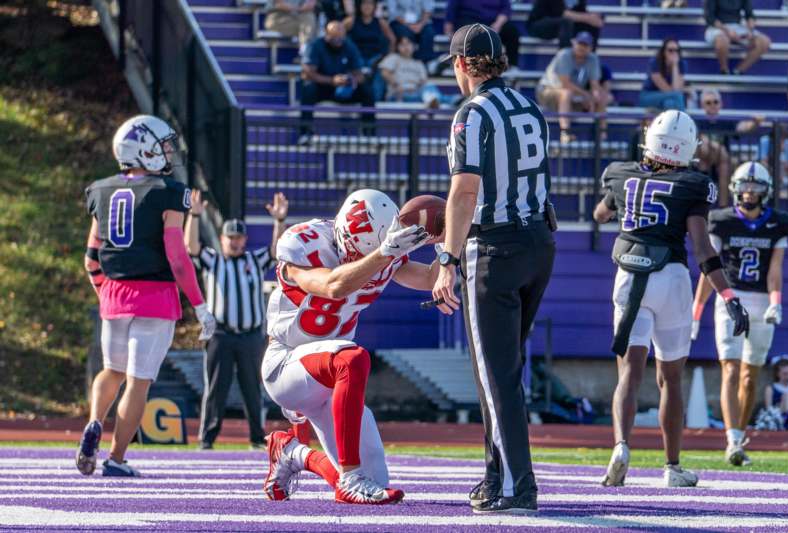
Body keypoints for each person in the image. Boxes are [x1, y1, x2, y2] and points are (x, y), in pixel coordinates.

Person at [432, 24, 556, 514]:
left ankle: (516, 485)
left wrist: (447, 258)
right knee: (502, 370)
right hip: (538, 242)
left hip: (495, 247)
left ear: (462, 64)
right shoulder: (530, 106)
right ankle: (495, 474)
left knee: (496, 374)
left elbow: (464, 191)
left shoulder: (472, 113)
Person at [593, 110, 749, 488]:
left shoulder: (620, 173)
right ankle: (672, 467)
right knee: (670, 379)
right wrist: (727, 295)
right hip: (671, 279)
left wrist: (626, 209)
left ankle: (621, 446)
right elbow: (701, 247)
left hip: (628, 276)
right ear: (687, 149)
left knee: (628, 372)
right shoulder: (694, 184)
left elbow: (600, 214)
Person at [260, 189, 442, 505]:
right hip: (286, 362)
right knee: (353, 358)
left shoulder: (386, 248)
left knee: (376, 483)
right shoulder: (305, 242)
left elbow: (428, 278)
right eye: (359, 253)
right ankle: (351, 477)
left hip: (331, 381)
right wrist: (383, 253)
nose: (362, 262)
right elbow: (333, 285)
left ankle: (291, 452)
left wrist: (447, 243)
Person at [77, 115, 216, 477]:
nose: (168, 152)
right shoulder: (168, 191)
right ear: (144, 150)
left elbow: (92, 256)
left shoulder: (100, 190)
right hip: (155, 296)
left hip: (114, 293)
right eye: (163, 146)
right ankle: (116, 459)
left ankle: (94, 421)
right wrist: (200, 306)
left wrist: (104, 292)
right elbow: (177, 254)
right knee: (138, 382)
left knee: (112, 371)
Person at [691, 162, 788, 465]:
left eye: (756, 187)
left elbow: (775, 268)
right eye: (745, 187)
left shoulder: (779, 222)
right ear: (735, 189)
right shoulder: (722, 220)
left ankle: (740, 431)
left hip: (762, 300)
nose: (749, 193)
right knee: (731, 369)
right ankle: (732, 440)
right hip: (731, 297)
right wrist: (696, 313)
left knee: (750, 377)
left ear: (766, 192)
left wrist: (776, 300)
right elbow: (708, 268)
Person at [185, 191, 290, 450]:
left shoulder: (254, 260)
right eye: (230, 237)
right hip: (220, 334)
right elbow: (192, 248)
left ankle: (257, 437)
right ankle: (207, 438)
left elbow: (277, 251)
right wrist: (194, 215)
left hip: (251, 335)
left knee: (253, 388)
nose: (234, 242)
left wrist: (279, 221)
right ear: (222, 239)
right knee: (216, 389)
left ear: (244, 239)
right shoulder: (214, 260)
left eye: (238, 237)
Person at [300, 21, 375, 139]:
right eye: (334, 35)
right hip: (323, 88)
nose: (338, 39)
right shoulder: (315, 45)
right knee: (308, 88)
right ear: (326, 34)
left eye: (340, 35)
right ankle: (305, 132)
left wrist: (349, 80)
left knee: (367, 91)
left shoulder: (349, 45)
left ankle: (369, 133)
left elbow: (359, 74)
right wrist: (332, 80)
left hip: (344, 89)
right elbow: (308, 73)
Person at [536, 32, 606, 143]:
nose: (582, 47)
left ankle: (602, 134)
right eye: (580, 44)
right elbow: (565, 83)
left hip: (573, 95)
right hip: (547, 91)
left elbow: (595, 84)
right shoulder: (564, 55)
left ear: (590, 48)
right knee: (566, 93)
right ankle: (565, 132)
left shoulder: (593, 59)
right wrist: (586, 95)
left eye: (585, 45)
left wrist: (595, 96)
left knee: (603, 96)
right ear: (574, 43)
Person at [444, 0, 521, 74]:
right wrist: (450, 32)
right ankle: (469, 65)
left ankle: (512, 65)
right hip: (469, 21)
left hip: (494, 23)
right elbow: (451, 10)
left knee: (511, 30)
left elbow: (506, 9)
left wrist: (497, 24)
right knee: (471, 33)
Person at [379, 35, 453, 107]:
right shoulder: (393, 58)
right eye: (402, 44)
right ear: (397, 47)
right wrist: (396, 85)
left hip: (416, 94)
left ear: (414, 46)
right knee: (436, 96)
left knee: (429, 85)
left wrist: (415, 88)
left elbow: (423, 82)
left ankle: (433, 100)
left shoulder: (418, 63)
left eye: (408, 44)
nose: (406, 47)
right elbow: (385, 72)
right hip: (398, 95)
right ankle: (451, 99)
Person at [344, 0, 395, 101]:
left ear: (374, 6)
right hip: (356, 57)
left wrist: (389, 57)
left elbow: (392, 40)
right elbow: (338, 32)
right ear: (359, 5)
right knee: (357, 70)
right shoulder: (351, 21)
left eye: (370, 3)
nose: (367, 6)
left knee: (381, 71)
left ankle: (376, 101)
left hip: (375, 58)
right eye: (364, 3)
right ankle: (351, 98)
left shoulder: (380, 22)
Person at [704, 0, 771, 75]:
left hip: (737, 26)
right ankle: (724, 70)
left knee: (764, 42)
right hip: (717, 27)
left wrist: (750, 30)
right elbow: (710, 18)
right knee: (722, 41)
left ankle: (739, 71)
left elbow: (750, 15)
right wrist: (727, 31)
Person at [526, 0, 603, 50]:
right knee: (566, 22)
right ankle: (565, 57)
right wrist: (588, 18)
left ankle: (590, 57)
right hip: (538, 25)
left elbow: (581, 12)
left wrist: (594, 18)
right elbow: (562, 13)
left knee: (593, 23)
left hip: (564, 27)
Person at [639, 39, 689, 111]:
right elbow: (668, 91)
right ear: (664, 52)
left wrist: (675, 66)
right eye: (670, 50)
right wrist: (677, 93)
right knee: (678, 96)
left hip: (668, 98)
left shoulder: (681, 64)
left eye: (676, 50)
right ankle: (683, 120)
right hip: (649, 96)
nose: (674, 53)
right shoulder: (655, 63)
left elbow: (676, 89)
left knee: (669, 103)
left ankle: (671, 122)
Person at [386, 0, 437, 66]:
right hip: (400, 22)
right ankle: (406, 63)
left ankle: (424, 63)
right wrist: (408, 25)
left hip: (421, 22)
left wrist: (420, 24)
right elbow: (393, 12)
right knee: (406, 34)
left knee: (429, 33)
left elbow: (428, 10)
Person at [763, 355, 788, 430]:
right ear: (777, 374)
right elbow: (769, 411)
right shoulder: (770, 388)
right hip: (780, 418)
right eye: (785, 374)